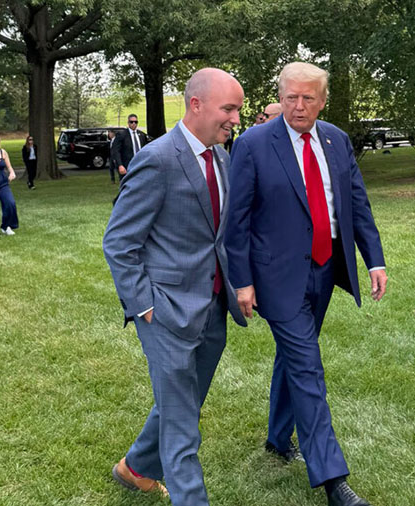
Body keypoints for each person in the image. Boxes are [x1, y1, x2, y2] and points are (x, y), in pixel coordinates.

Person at [225, 62, 387, 506]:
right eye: (291, 97)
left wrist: (373, 259)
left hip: (324, 270)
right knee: (307, 367)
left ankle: (278, 438)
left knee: (294, 358)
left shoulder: (336, 139)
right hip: (276, 277)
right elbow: (235, 221)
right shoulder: (255, 144)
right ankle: (334, 481)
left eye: (308, 98)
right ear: (280, 95)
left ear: (323, 100)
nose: (299, 106)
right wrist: (241, 281)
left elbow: (356, 201)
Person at [103, 68, 247, 505]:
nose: (235, 119)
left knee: (182, 400)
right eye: (229, 109)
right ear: (196, 104)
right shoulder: (157, 158)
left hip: (212, 307)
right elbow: (119, 242)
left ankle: (136, 467)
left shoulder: (221, 156)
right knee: (183, 422)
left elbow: (219, 236)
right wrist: (145, 305)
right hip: (164, 310)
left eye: (238, 110)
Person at [110, 114, 148, 180]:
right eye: (131, 122)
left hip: (140, 165)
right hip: (126, 167)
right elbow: (116, 151)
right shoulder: (122, 135)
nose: (134, 124)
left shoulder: (142, 135)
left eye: (135, 122)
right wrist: (120, 165)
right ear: (128, 123)